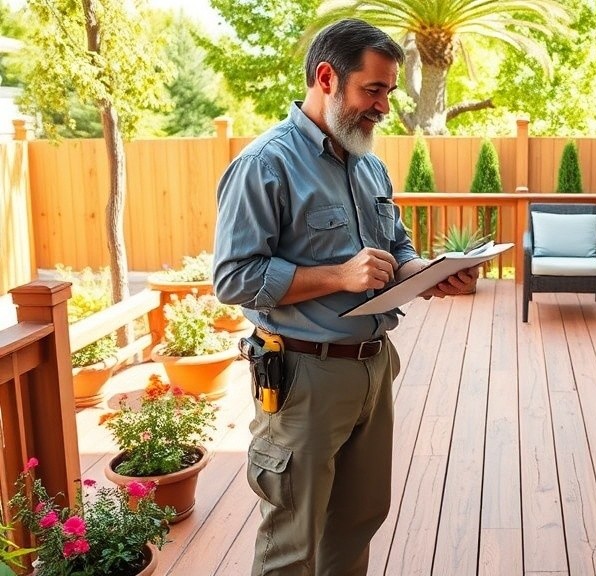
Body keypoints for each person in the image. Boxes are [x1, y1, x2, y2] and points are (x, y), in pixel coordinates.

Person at [212, 19, 476, 576]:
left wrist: (424, 272)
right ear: (327, 78)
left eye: (389, 91)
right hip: (300, 379)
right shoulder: (265, 165)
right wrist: (336, 276)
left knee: (358, 522)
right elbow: (233, 277)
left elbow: (395, 245)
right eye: (373, 90)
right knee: (292, 542)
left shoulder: (369, 162)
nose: (384, 105)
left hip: (374, 371)